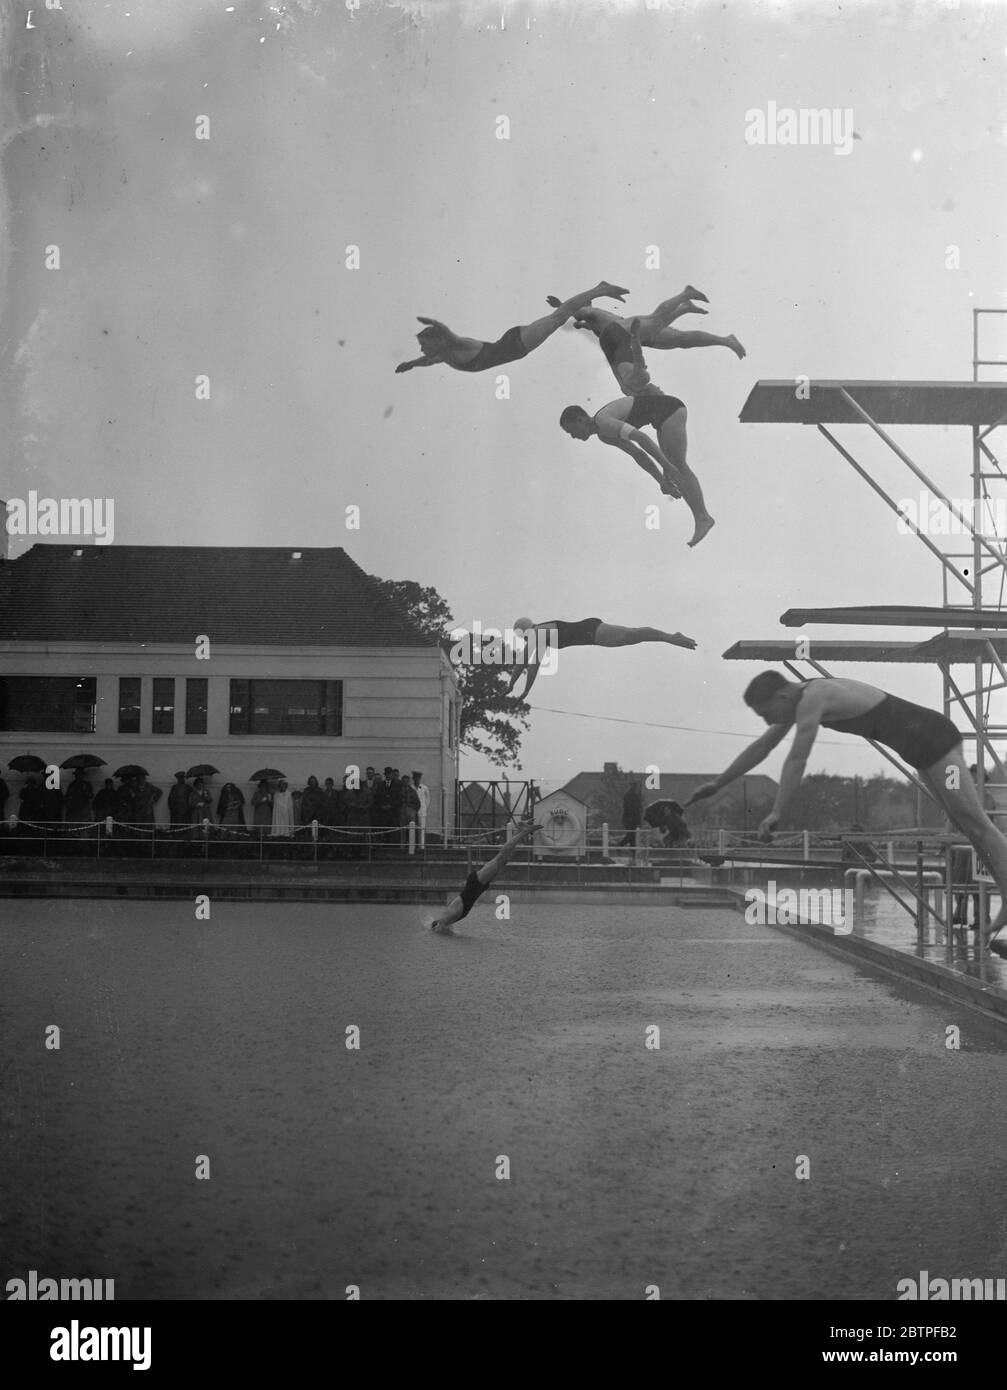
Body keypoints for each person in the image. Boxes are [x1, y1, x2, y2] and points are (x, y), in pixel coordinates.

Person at [686, 671, 1007, 945]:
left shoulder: (814, 698)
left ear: (782, 696)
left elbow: (797, 757)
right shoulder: (800, 698)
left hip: (935, 741)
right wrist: (719, 782)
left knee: (975, 822)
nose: (768, 721)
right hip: (922, 750)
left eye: (766, 713)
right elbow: (763, 746)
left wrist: (777, 811)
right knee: (967, 826)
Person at [559, 388, 715, 547]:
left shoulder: (603, 421)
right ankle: (701, 517)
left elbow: (641, 438)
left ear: (580, 420)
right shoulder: (604, 436)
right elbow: (638, 454)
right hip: (659, 418)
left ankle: (703, 517)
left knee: (677, 465)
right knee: (672, 469)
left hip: (671, 409)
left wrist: (666, 466)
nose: (573, 436)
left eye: (572, 431)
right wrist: (661, 480)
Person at [395, 280, 629, 375]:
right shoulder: (444, 356)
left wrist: (433, 323)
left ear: (439, 340)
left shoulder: (455, 345)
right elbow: (426, 361)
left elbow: (447, 333)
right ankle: (587, 304)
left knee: (559, 317)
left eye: (425, 345)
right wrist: (410, 364)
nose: (424, 351)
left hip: (516, 343)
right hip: (514, 344)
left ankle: (600, 289)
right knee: (558, 316)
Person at [505, 616, 696, 700]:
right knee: (634, 637)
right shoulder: (540, 638)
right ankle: (670, 638)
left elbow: (524, 662)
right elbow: (533, 666)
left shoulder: (538, 632)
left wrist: (513, 686)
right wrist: (522, 689)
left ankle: (671, 637)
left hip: (592, 631)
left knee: (633, 634)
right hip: (595, 637)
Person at [429, 822, 538, 933]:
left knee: (501, 857)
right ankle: (520, 831)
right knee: (503, 859)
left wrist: (435, 930)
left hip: (475, 884)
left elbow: (445, 923)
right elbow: (449, 929)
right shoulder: (448, 920)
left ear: (437, 925)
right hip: (476, 887)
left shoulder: (446, 918)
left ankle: (523, 832)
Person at [619, 779, 643, 848]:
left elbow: (637, 808)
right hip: (629, 819)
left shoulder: (635, 796)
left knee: (632, 836)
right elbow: (631, 808)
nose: (633, 787)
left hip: (632, 819)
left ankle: (632, 852)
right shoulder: (628, 795)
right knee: (631, 835)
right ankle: (620, 845)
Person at [412, 771, 430, 847]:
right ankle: (412, 846)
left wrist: (424, 808)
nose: (417, 779)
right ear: (413, 778)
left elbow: (428, 799)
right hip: (412, 811)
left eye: (418, 778)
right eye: (415, 778)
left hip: (422, 811)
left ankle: (421, 846)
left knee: (421, 830)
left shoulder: (424, 788)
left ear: (420, 778)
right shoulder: (411, 787)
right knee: (412, 829)